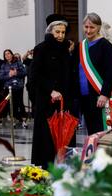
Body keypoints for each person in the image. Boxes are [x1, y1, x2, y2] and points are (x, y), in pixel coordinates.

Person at [30, 14, 74, 168]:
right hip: (47, 101)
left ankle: (64, 171)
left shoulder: (66, 49)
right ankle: (45, 171)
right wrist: (51, 90)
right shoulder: (41, 49)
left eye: (63, 32)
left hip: (64, 102)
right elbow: (34, 76)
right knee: (46, 140)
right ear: (50, 32)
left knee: (65, 139)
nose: (61, 35)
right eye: (57, 32)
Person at [74, 12, 112, 135]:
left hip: (99, 97)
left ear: (98, 27)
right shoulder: (80, 46)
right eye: (86, 27)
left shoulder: (105, 45)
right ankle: (93, 154)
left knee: (103, 131)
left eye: (92, 27)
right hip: (84, 97)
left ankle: (102, 154)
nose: (88, 30)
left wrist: (104, 94)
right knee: (91, 133)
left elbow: (111, 71)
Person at [0, 49, 27, 128]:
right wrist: (9, 75)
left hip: (18, 87)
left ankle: (24, 121)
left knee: (20, 104)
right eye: (5, 54)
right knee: (12, 105)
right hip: (8, 87)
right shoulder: (3, 65)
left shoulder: (18, 63)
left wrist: (16, 73)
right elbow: (1, 77)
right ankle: (14, 120)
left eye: (9, 53)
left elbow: (25, 72)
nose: (7, 55)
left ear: (12, 54)